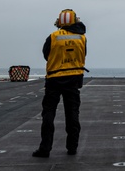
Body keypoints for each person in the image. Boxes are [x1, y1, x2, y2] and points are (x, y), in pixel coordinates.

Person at [33, 9, 87, 158]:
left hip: (54, 79)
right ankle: (72, 146)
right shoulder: (82, 38)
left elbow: (46, 55)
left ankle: (45, 148)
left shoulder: (53, 37)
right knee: (72, 113)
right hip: (74, 79)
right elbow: (83, 54)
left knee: (49, 113)